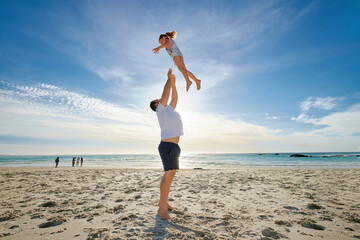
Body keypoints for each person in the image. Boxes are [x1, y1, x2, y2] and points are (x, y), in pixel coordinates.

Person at [150, 68, 183, 220]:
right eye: (158, 100)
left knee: (169, 176)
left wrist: (174, 83)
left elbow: (174, 98)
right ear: (156, 105)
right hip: (167, 146)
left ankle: (163, 203)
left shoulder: (168, 109)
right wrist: (169, 79)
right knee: (168, 176)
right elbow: (166, 92)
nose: (161, 100)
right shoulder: (160, 111)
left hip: (174, 147)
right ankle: (161, 210)